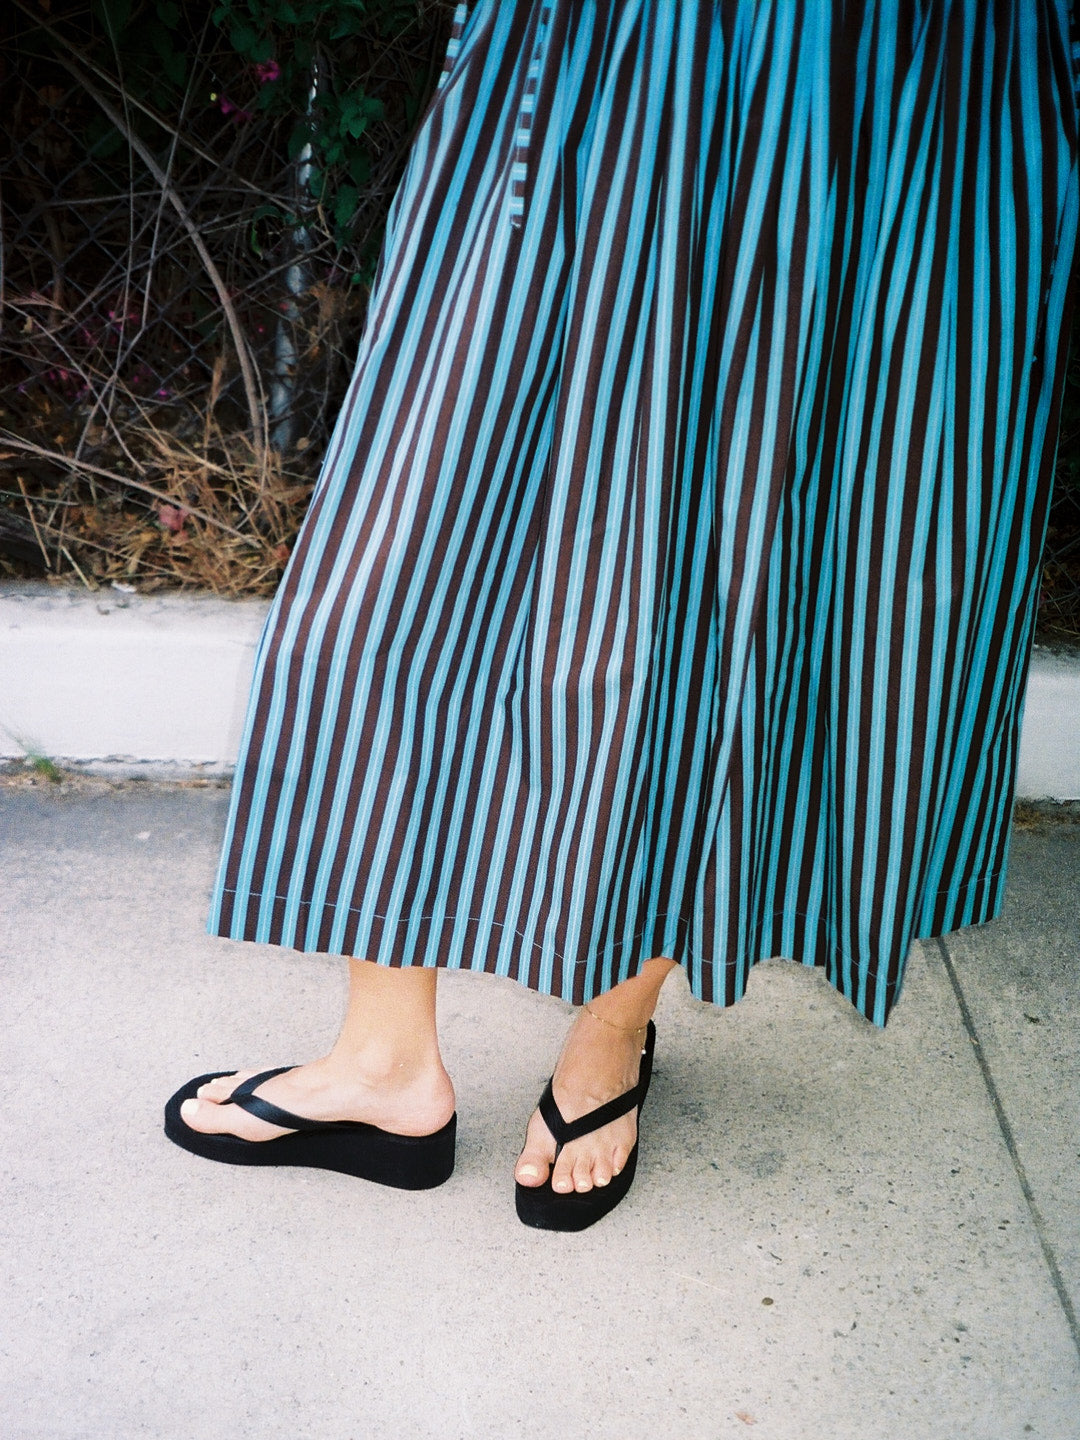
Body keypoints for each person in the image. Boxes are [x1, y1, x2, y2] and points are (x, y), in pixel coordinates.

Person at [164, 0, 1079, 1230]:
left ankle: (611, 1032)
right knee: (433, 508)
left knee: (782, 558)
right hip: (626, 40)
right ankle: (385, 1061)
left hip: (909, 61)